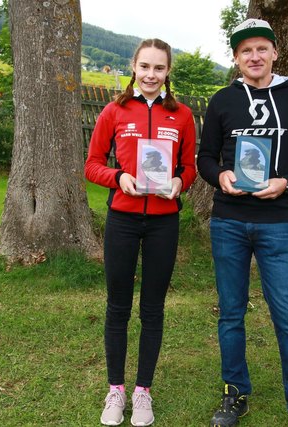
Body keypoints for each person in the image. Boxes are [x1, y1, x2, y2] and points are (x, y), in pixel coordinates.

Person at [196, 19, 288, 427]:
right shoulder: (222, 100)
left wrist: (287, 182)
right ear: (236, 58)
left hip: (276, 223)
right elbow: (206, 157)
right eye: (245, 50)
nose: (254, 56)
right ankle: (235, 394)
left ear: (274, 53)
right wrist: (220, 176)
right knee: (231, 313)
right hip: (228, 221)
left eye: (261, 49)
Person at [84, 38, 197, 426]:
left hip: (164, 222)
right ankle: (115, 390)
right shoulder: (114, 111)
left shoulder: (181, 115)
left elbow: (190, 168)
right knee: (118, 307)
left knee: (152, 309)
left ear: (168, 72)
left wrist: (181, 183)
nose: (151, 75)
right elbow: (92, 164)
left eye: (159, 68)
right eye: (145, 67)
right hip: (123, 219)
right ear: (134, 67)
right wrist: (119, 177)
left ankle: (142, 391)